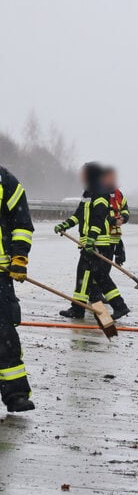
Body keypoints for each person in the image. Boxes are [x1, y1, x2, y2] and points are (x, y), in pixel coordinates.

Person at [55, 162, 131, 320]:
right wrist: (65, 225)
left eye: (83, 173)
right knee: (86, 275)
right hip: (90, 242)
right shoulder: (88, 192)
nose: (81, 176)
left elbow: (98, 218)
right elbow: (79, 215)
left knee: (98, 276)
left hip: (98, 243)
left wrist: (92, 239)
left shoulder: (100, 192)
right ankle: (79, 308)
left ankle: (119, 306)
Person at [0, 165, 35, 412]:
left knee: (4, 334)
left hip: (0, 275)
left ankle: (15, 394)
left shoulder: (5, 181)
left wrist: (19, 257)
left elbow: (22, 224)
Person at [101, 167, 130, 266]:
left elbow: (124, 208)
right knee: (98, 269)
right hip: (101, 238)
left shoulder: (118, 193)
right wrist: (113, 221)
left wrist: (123, 217)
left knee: (106, 269)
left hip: (114, 238)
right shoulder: (99, 193)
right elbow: (98, 214)